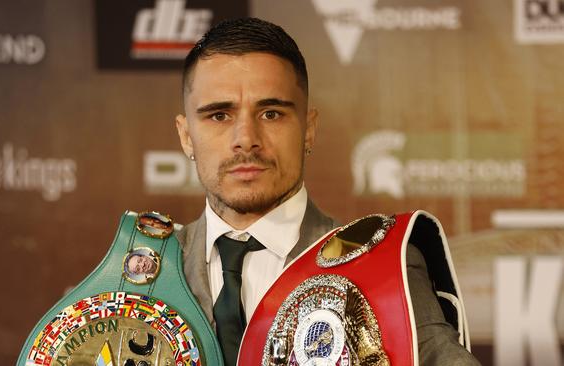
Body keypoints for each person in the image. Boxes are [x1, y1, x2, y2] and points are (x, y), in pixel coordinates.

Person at [174, 17, 480, 366]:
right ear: (186, 136)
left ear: (309, 130)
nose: (246, 138)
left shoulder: (383, 267)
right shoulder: (140, 277)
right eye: (219, 116)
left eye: (271, 113)